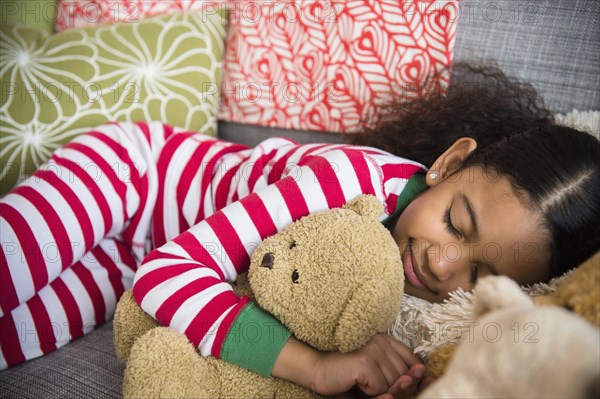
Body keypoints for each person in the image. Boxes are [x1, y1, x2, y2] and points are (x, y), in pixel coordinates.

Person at [1, 63, 599, 399]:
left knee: (16, 338)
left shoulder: (442, 311)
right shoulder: (348, 182)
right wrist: (312, 365)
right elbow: (167, 273)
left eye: (481, 274)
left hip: (133, 271)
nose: (442, 265)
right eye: (454, 221)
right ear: (446, 165)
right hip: (136, 180)